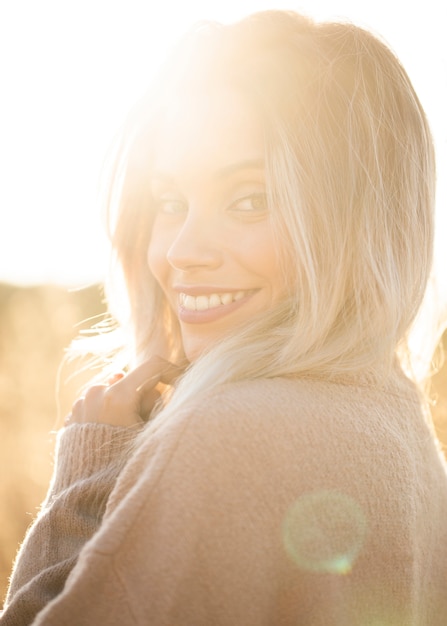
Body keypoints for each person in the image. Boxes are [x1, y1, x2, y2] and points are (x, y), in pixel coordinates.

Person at [2, 9, 447, 625]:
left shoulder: (226, 436)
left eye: (249, 200)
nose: (182, 250)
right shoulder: (399, 422)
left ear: (356, 223)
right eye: (170, 202)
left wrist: (87, 480)